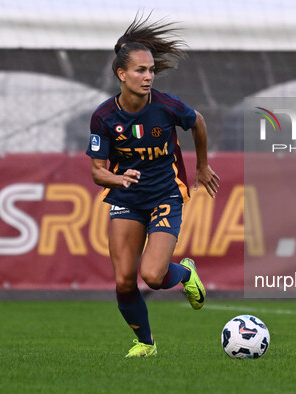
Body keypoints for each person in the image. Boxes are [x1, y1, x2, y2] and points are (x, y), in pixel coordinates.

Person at [86, 14, 220, 358]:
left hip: (165, 196)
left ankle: (184, 273)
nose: (148, 77)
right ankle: (145, 344)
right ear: (122, 74)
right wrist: (119, 179)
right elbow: (98, 173)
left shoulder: (166, 106)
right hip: (126, 200)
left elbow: (198, 122)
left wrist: (202, 166)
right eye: (140, 71)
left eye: (150, 71)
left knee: (154, 276)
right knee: (123, 281)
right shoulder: (104, 117)